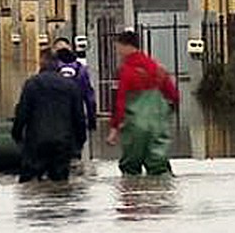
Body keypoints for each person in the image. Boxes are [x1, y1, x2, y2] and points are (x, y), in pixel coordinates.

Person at [108, 29, 179, 176]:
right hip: (157, 127)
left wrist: (114, 128)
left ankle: (133, 197)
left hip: (134, 128)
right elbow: (174, 96)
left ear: (125, 46)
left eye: (118, 47)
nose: (117, 51)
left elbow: (119, 102)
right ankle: (161, 197)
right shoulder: (158, 69)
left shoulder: (124, 71)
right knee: (160, 168)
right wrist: (166, 116)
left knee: (130, 171)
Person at [12, 55, 88, 183]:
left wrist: (16, 134)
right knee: (60, 183)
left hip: (36, 141)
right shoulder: (70, 85)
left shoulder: (32, 84)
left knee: (29, 183)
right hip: (63, 141)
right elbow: (79, 116)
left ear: (41, 66)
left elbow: (22, 112)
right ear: (58, 67)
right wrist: (80, 140)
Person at [51, 36, 98, 148]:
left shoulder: (50, 68)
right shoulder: (80, 68)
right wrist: (92, 120)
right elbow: (89, 95)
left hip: (54, 116)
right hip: (75, 114)